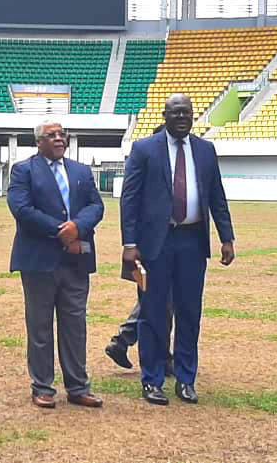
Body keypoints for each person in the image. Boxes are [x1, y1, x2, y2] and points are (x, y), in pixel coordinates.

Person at [120, 94, 235, 405]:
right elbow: (129, 199)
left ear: (193, 116)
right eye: (176, 112)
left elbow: (216, 196)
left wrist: (227, 237)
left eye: (187, 112)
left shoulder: (205, 150)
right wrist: (129, 244)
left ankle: (186, 379)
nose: (182, 117)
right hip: (154, 245)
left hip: (192, 243)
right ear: (165, 115)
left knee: (189, 313)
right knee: (153, 313)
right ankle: (152, 380)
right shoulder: (144, 149)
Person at [7, 120, 105, 409]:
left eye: (62, 134)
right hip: (38, 262)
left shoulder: (81, 171)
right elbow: (22, 210)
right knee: (40, 327)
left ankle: (78, 386)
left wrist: (78, 226)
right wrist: (62, 232)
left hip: (77, 260)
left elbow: (96, 206)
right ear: (38, 142)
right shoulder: (23, 171)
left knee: (75, 325)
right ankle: (43, 387)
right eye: (52, 136)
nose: (59, 139)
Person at [105, 123, 175, 376]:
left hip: (165, 246)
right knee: (160, 301)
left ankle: (124, 341)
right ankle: (158, 356)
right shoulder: (147, 166)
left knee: (159, 299)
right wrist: (131, 245)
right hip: (150, 248)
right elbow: (131, 204)